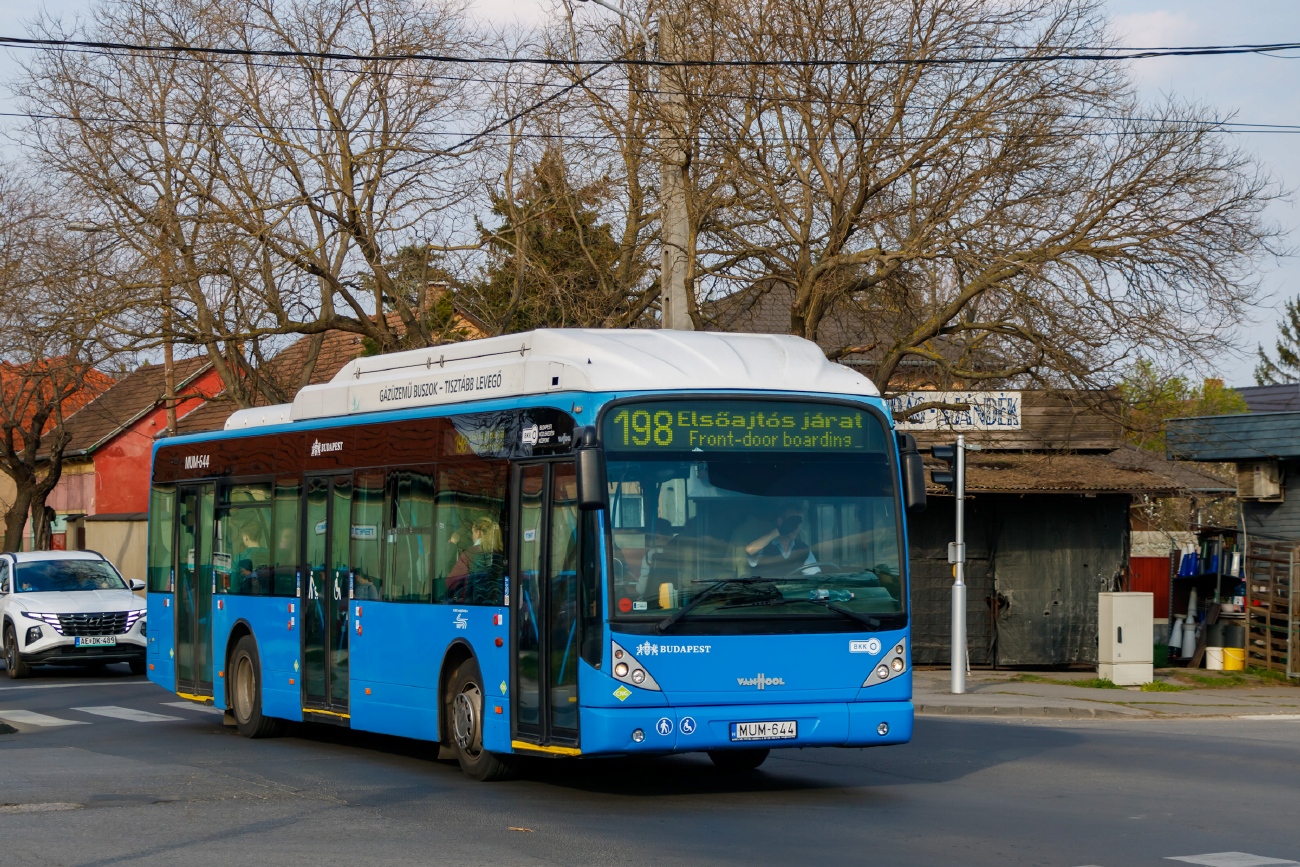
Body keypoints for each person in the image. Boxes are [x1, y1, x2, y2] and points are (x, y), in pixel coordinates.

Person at [743, 505, 818, 577]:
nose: (796, 527)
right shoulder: (764, 546)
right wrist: (780, 530)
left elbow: (816, 576)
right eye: (792, 522)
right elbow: (750, 550)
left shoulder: (803, 549)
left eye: (799, 522)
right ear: (780, 521)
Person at [636, 518, 675, 595]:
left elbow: (641, 589)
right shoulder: (679, 553)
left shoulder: (650, 556)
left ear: (655, 536)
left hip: (653, 600)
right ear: (671, 535)